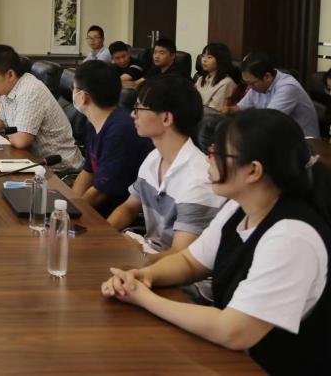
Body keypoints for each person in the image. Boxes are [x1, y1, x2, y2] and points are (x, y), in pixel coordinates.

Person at [101, 110, 331, 374]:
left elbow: (233, 330)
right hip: (231, 359)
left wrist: (143, 298)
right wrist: (144, 276)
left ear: (253, 170)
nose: (208, 159)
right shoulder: (239, 207)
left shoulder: (292, 237)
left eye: (217, 154)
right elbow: (190, 262)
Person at [107, 75, 225, 260]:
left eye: (139, 108)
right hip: (149, 254)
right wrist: (103, 235)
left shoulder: (198, 178)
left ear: (166, 118)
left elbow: (181, 257)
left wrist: (136, 253)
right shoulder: (154, 158)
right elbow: (129, 208)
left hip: (173, 270)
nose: (132, 114)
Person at [0, 45, 82, 172]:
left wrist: (5, 134)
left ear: (10, 75)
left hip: (60, 169)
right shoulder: (7, 89)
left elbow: (21, 141)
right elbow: (1, 121)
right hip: (34, 162)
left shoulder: (29, 90)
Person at [70, 61, 154, 217]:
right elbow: (88, 171)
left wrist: (72, 214)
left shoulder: (120, 130)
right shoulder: (93, 124)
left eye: (73, 88)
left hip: (117, 213)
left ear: (83, 97)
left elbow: (101, 192)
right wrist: (70, 204)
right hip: (100, 207)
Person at [226, 52, 320, 138]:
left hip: (304, 142)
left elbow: (269, 121)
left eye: (251, 83)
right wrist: (226, 110)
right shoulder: (257, 84)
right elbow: (239, 108)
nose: (249, 87)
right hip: (278, 137)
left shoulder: (288, 87)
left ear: (267, 77)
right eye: (246, 82)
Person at [194, 42, 238, 110]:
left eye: (209, 57)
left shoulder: (226, 83)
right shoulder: (201, 79)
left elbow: (215, 111)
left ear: (220, 60)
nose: (204, 60)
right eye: (203, 56)